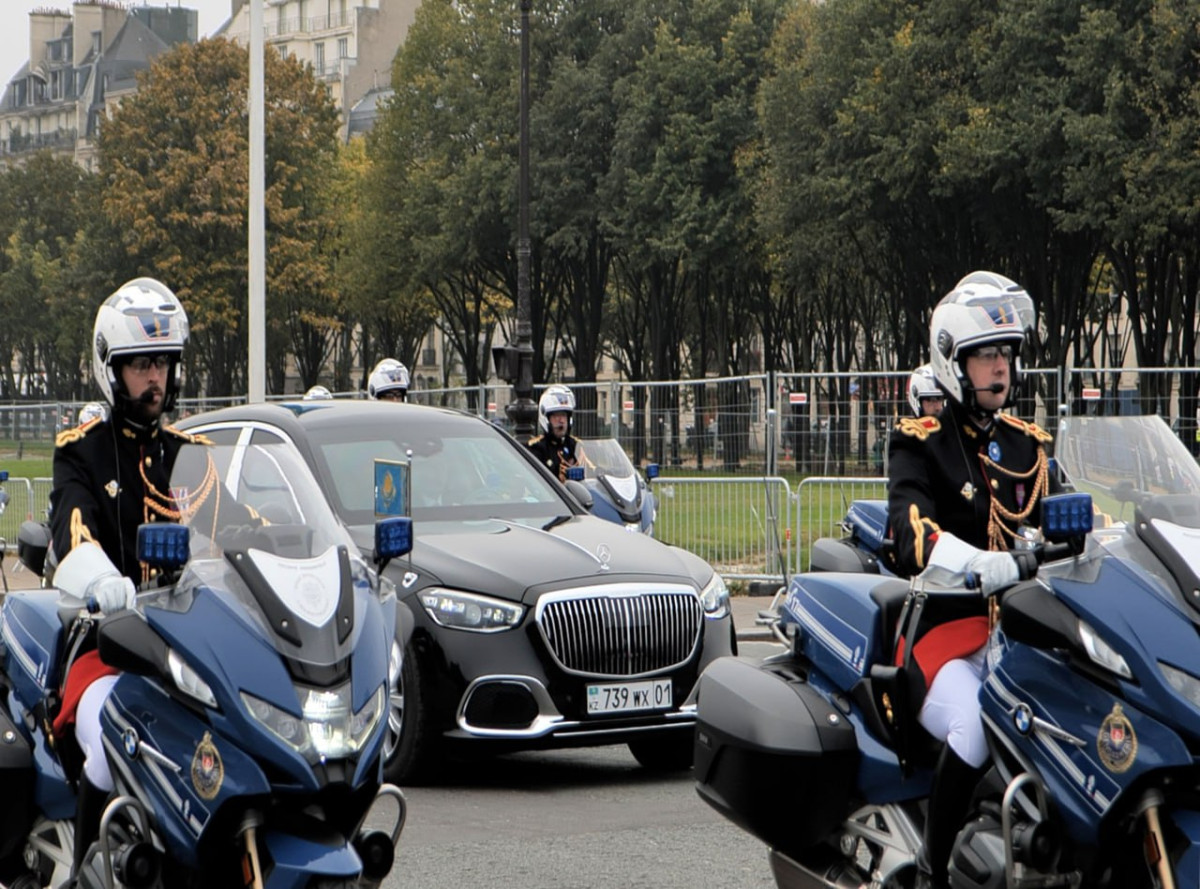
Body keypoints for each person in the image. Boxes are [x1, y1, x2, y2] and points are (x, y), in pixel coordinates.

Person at [887, 271, 1059, 889]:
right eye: (985, 355)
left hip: (1024, 636)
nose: (1000, 368)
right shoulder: (921, 443)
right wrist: (973, 561)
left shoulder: (1028, 447)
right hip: (944, 640)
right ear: (953, 363)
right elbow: (912, 535)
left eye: (1006, 354)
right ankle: (934, 872)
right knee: (974, 724)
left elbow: (1072, 521)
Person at [48, 278, 220, 880]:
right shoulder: (83, 451)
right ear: (111, 371)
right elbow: (71, 526)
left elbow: (242, 530)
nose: (155, 380)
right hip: (110, 647)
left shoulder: (191, 453)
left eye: (163, 365)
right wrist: (98, 577)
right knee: (112, 728)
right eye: (141, 366)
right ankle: (85, 867)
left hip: (195, 649)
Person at [527, 384, 585, 482]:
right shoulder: (537, 448)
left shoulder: (576, 445)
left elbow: (592, 470)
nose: (561, 420)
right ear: (546, 419)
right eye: (556, 416)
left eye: (563, 415)